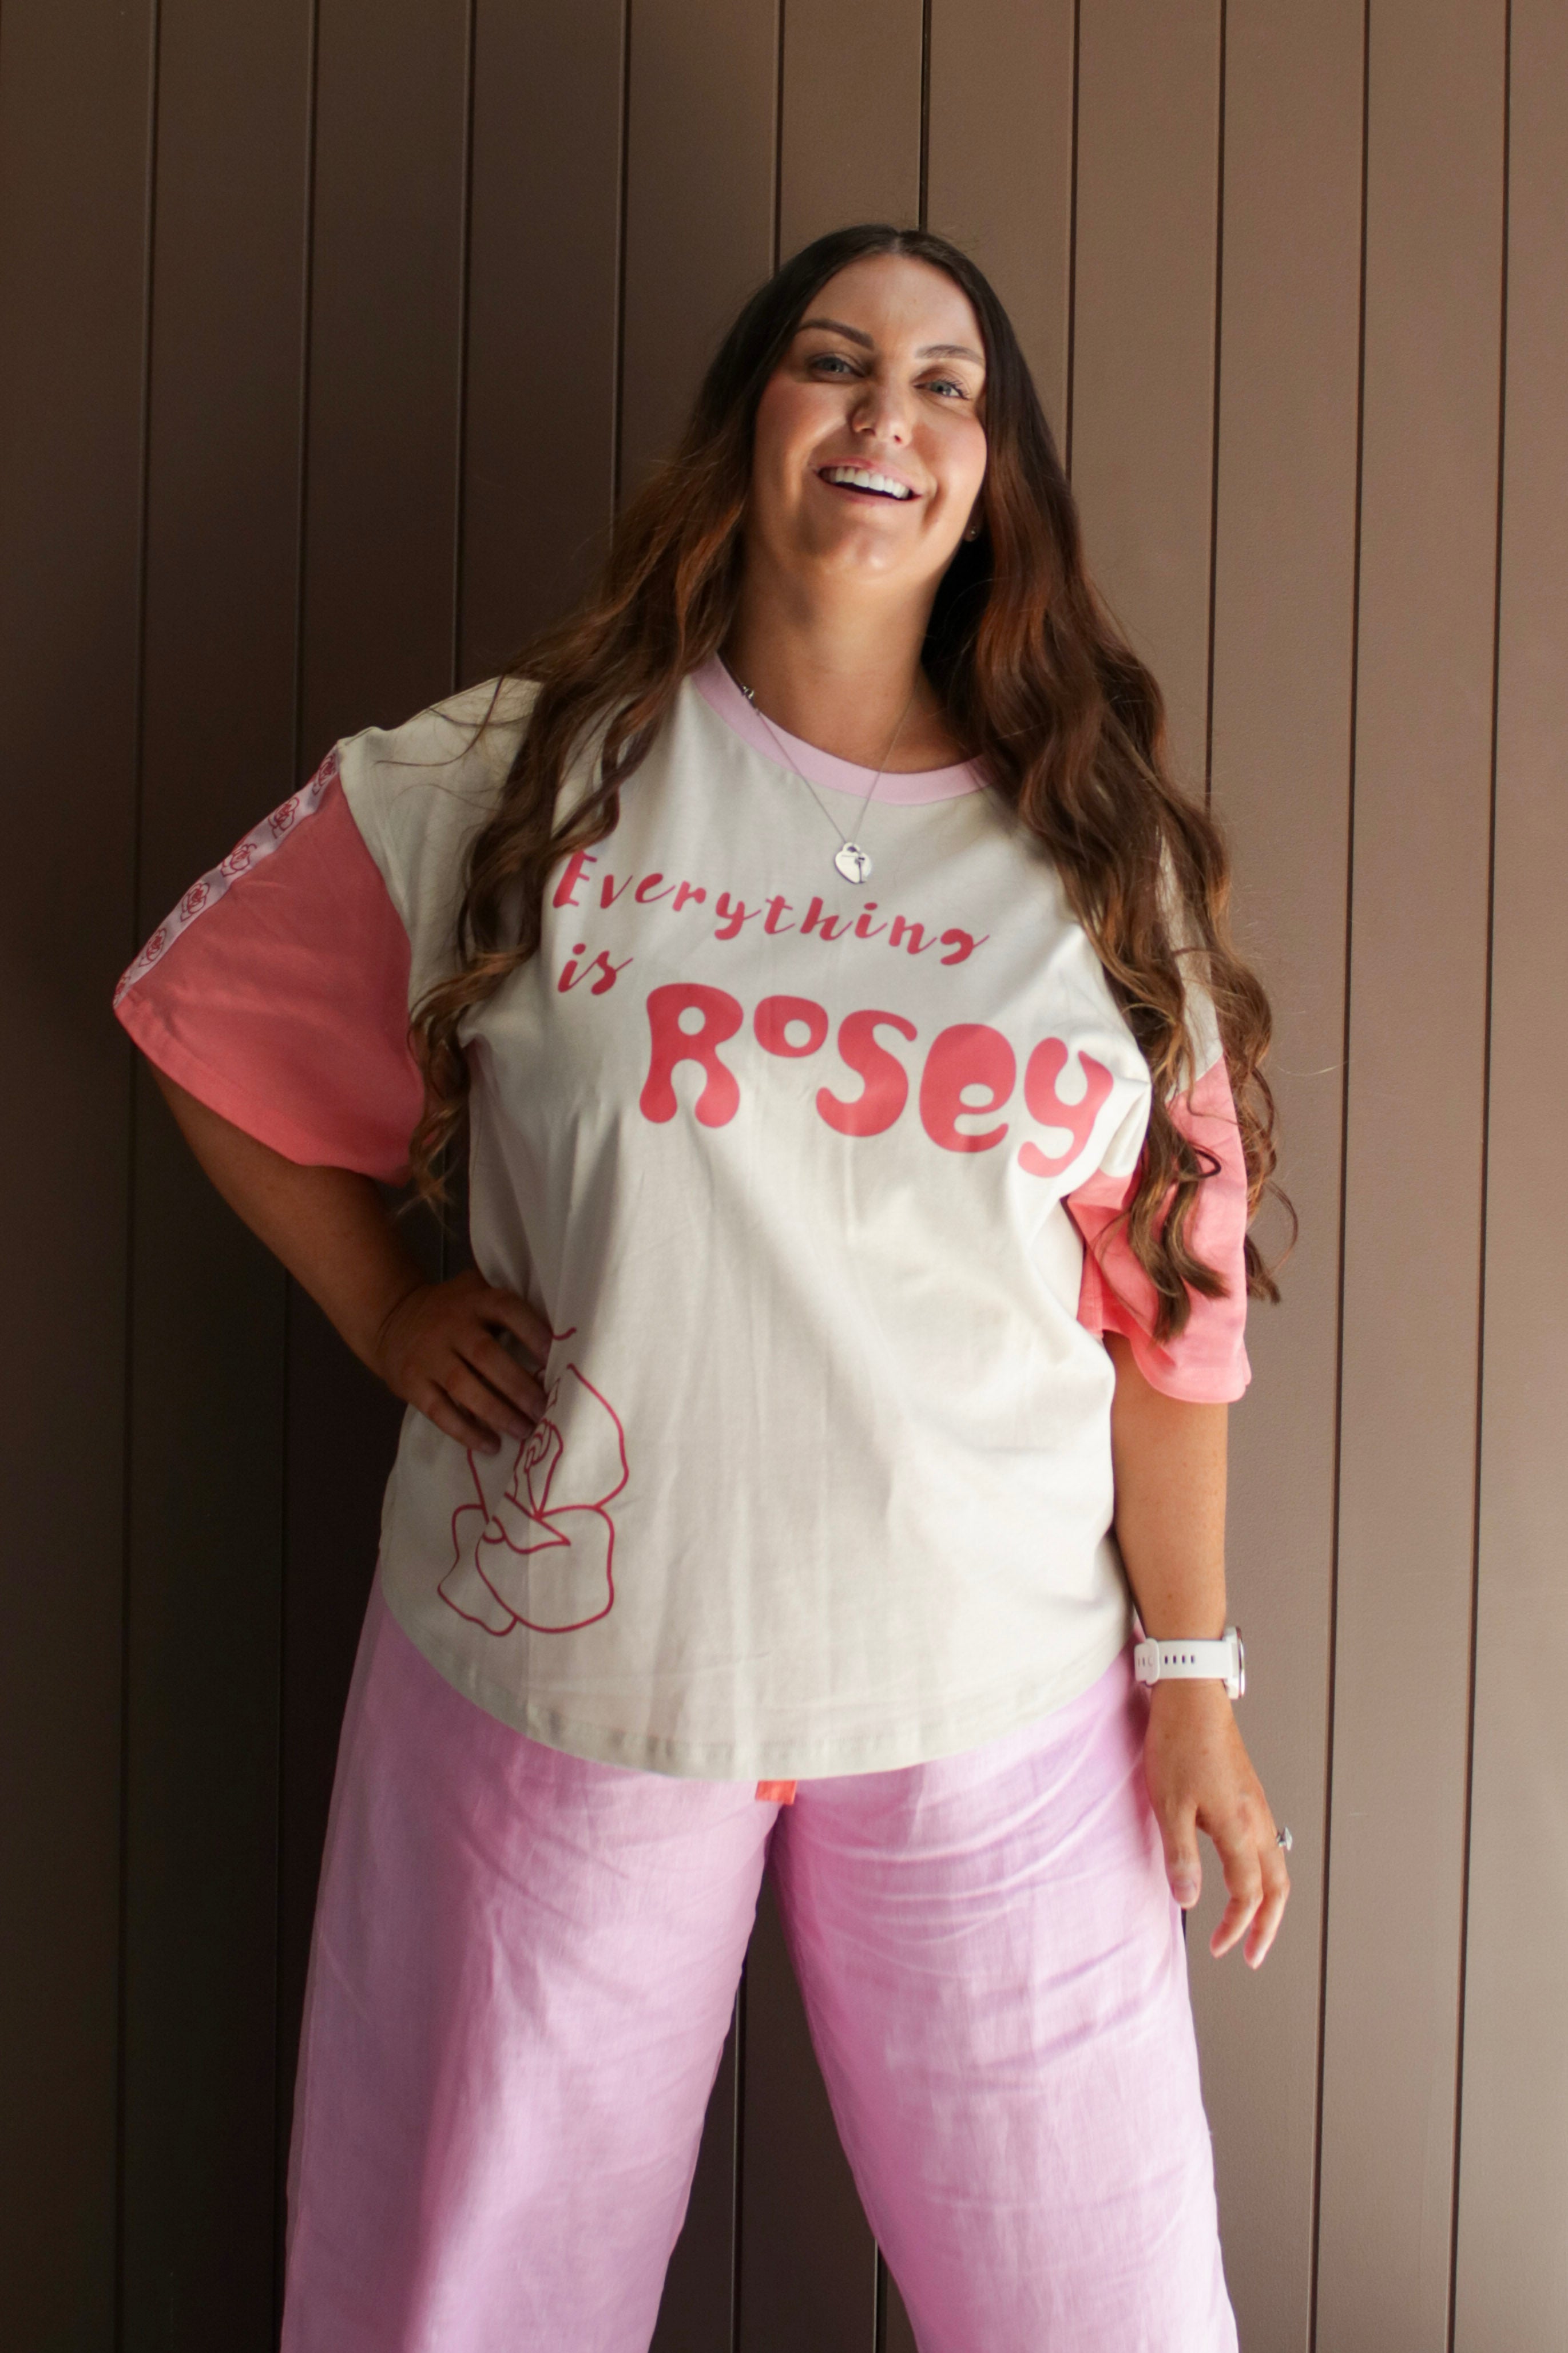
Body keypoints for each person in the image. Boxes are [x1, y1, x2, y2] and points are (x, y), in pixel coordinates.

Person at [115, 222, 1291, 2352]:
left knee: (1100, 2308)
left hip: (995, 1703)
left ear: (995, 475)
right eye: (837, 361)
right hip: (565, 1679)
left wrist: (1191, 1673)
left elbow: (1173, 1319)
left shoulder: (1097, 866)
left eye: (951, 385)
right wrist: (386, 1309)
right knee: (452, 2295)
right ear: (749, 425)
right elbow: (197, 1021)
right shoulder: (518, 772)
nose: (892, 414)